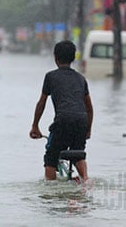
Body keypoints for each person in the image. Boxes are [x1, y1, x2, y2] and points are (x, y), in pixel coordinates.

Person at [29, 40, 94, 182]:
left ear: (55, 58)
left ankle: (51, 190)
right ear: (73, 58)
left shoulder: (50, 76)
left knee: (51, 158)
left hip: (63, 119)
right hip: (81, 120)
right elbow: (89, 107)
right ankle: (87, 181)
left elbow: (42, 102)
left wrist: (35, 126)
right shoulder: (81, 79)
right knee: (78, 154)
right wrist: (88, 129)